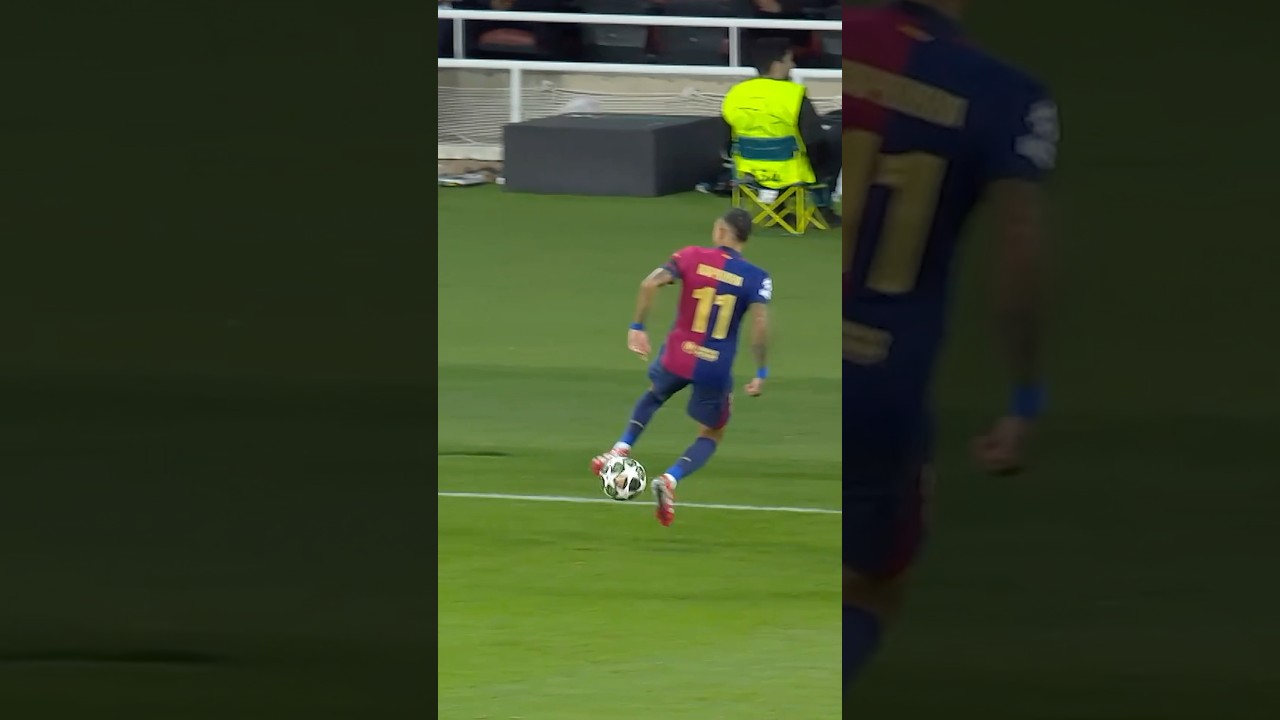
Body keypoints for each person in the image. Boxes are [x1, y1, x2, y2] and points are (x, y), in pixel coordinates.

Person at [841, 0, 1060, 689]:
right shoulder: (1006, 93)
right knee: (872, 584)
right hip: (878, 378)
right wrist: (1024, 396)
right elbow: (1019, 254)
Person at [590, 209, 772, 527]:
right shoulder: (757, 277)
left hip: (677, 354)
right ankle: (670, 479)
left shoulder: (690, 256)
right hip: (714, 366)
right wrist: (761, 372)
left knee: (655, 394)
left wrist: (637, 327)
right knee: (712, 432)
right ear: (745, 238)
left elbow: (649, 284)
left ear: (720, 231)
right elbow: (759, 325)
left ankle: (620, 449)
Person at [722, 37, 841, 227]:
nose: (792, 65)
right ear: (776, 64)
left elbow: (727, 137)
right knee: (834, 143)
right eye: (789, 60)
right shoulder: (793, 94)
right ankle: (823, 207)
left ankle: (779, 209)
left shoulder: (735, 93)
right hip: (790, 171)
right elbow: (813, 139)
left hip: (748, 170)